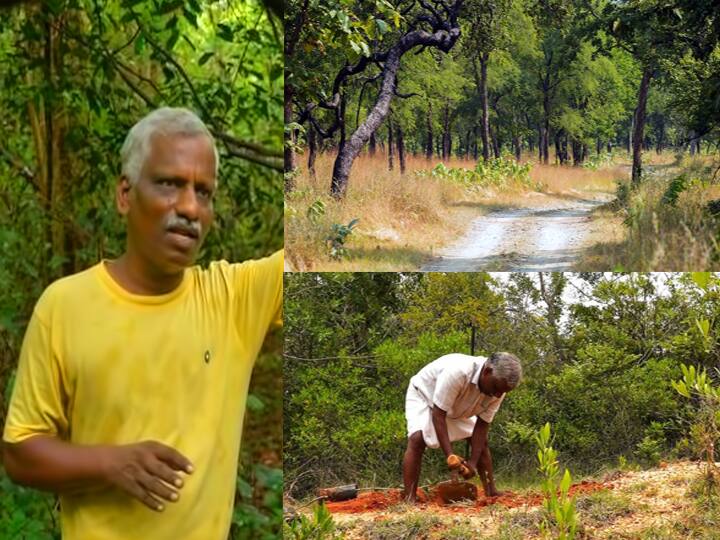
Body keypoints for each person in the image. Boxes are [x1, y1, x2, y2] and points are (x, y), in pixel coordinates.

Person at [2, 107, 283, 539]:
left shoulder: (234, 301)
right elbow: (20, 453)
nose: (189, 207)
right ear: (125, 194)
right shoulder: (65, 306)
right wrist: (111, 464)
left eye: (203, 192)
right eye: (170, 184)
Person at [402, 352, 522, 502]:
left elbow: (482, 426)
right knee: (417, 439)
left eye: (503, 392)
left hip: (456, 406)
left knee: (481, 442)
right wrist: (450, 455)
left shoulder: (498, 389)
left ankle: (491, 491)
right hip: (425, 396)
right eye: (496, 388)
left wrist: (472, 463)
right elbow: (438, 415)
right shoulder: (457, 372)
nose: (498, 395)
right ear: (486, 371)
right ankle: (409, 498)